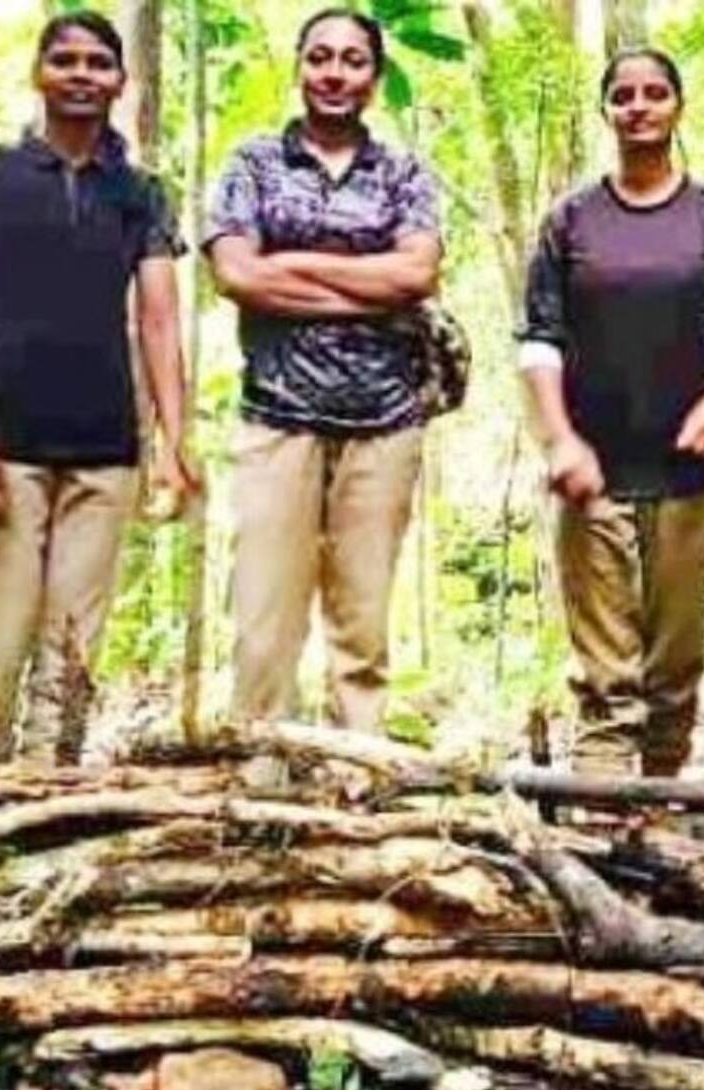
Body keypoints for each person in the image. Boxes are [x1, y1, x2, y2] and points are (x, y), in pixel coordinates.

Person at [0, 10, 194, 766]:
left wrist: (174, 444)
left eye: (98, 63)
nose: (81, 75)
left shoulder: (141, 193)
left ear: (120, 81)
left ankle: (48, 792)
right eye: (65, 60)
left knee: (72, 648)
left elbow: (160, 320)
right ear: (38, 74)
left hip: (105, 447)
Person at [520, 48, 704, 777]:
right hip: (594, 475)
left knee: (674, 667)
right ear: (606, 110)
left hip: (695, 477)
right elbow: (538, 340)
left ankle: (661, 806)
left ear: (677, 106)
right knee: (606, 675)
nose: (638, 107)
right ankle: (599, 816)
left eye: (655, 93)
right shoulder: (570, 220)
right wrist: (559, 440)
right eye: (624, 96)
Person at [205, 8, 443, 734]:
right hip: (277, 416)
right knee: (263, 621)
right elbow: (237, 275)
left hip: (385, 420)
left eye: (352, 60)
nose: (335, 73)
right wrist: (367, 285)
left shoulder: (403, 172)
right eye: (320, 57)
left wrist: (292, 264)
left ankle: (358, 766)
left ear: (375, 76)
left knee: (362, 624)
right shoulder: (254, 163)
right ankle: (259, 763)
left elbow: (417, 274)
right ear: (300, 66)